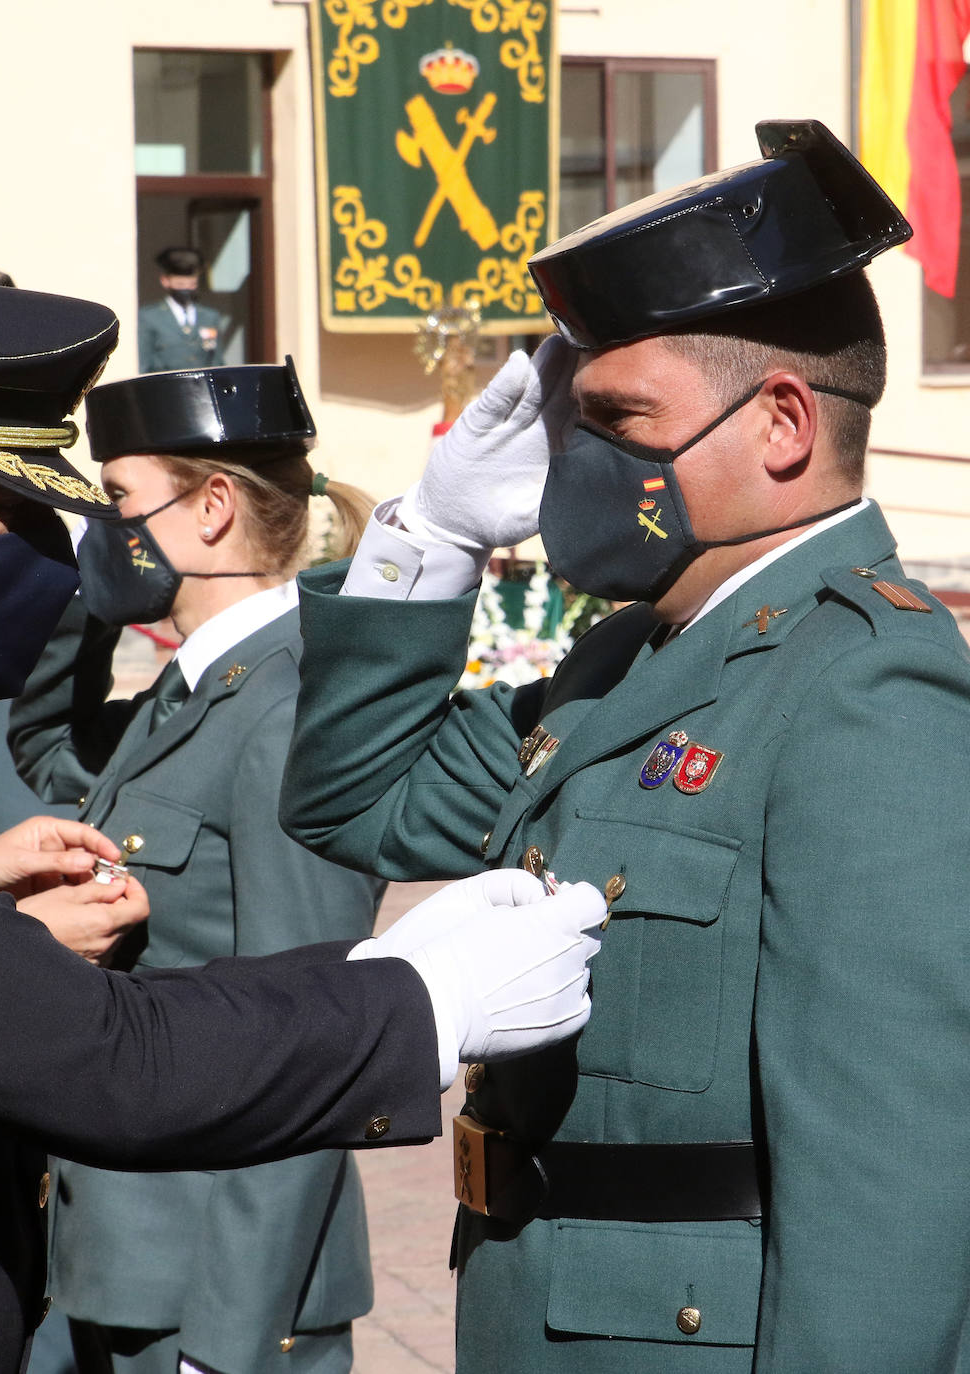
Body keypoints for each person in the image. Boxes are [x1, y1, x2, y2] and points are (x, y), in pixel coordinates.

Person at [0, 272, 605, 1374]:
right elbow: (98, 1057)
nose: (55, 549)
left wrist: (235, 1334)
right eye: (18, 506)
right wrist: (423, 991)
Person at [279, 119, 970, 1371]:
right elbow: (353, 803)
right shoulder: (623, 665)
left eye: (616, 418)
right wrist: (432, 531)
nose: (576, 460)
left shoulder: (868, 685)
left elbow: (893, 1177)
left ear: (779, 425)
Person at [10, 361, 381, 1374]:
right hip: (120, 1261)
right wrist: (91, 588)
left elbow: (310, 1044)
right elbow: (45, 743)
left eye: (118, 501)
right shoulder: (194, 693)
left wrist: (227, 1345)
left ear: (212, 506)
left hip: (211, 1288)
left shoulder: (288, 709)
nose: (108, 527)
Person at [138, 246, 227, 372]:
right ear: (165, 281)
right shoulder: (149, 317)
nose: (185, 289)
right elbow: (144, 363)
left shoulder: (209, 317)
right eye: (180, 284)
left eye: (191, 284)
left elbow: (217, 361)